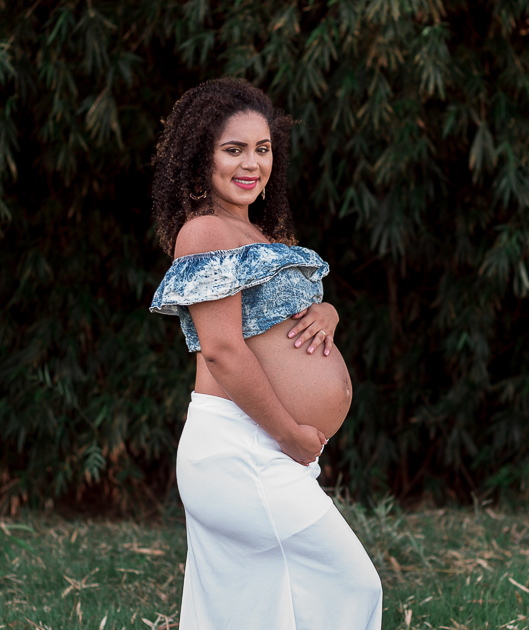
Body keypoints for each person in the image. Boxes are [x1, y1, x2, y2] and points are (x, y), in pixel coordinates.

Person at [149, 78, 383, 630]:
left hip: (264, 445)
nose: (251, 163)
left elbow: (286, 322)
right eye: (234, 149)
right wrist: (290, 435)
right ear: (199, 156)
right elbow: (225, 353)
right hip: (242, 445)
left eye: (262, 148)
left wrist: (329, 313)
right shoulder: (205, 231)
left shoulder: (260, 236)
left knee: (261, 609)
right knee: (352, 586)